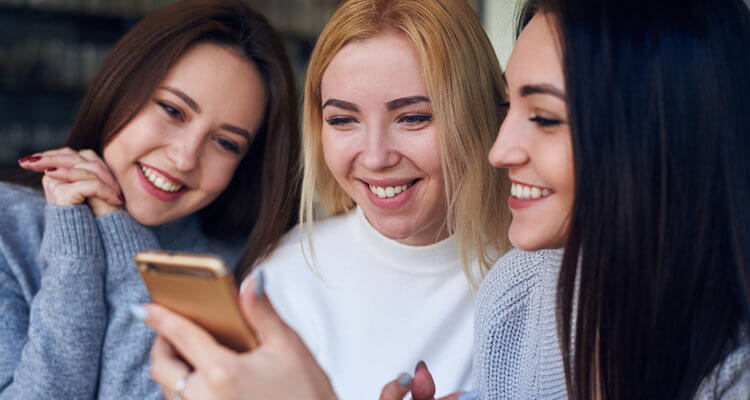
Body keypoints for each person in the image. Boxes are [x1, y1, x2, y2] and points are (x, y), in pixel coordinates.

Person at [142, 0, 510, 398]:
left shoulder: (547, 281)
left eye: (414, 117)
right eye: (342, 120)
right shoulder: (283, 278)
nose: (374, 157)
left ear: (481, 114)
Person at [397, 0, 750, 399]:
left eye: (545, 117)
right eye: (509, 106)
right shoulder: (518, 294)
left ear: (667, 127)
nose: (499, 152)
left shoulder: (737, 375)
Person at [0, 0, 300, 398]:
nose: (184, 157)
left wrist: (121, 237)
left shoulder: (250, 273)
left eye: (225, 142)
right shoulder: (8, 228)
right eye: (173, 110)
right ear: (120, 89)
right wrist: (75, 253)